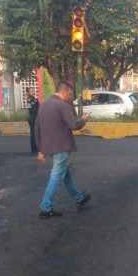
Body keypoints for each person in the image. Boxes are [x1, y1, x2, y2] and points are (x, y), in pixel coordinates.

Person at [35, 82, 91, 218]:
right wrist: (83, 120)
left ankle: (78, 198)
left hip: (51, 148)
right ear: (64, 92)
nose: (70, 97)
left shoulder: (44, 105)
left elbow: (37, 128)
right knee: (55, 177)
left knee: (66, 175)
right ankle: (45, 207)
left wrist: (40, 149)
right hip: (62, 147)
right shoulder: (62, 105)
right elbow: (73, 125)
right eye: (70, 94)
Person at [26, 87, 40, 153]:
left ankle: (37, 147)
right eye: (31, 91)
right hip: (32, 118)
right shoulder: (29, 100)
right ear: (29, 92)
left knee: (36, 133)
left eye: (34, 91)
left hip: (36, 117)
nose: (33, 92)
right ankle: (34, 149)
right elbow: (33, 110)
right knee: (33, 134)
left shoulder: (35, 99)